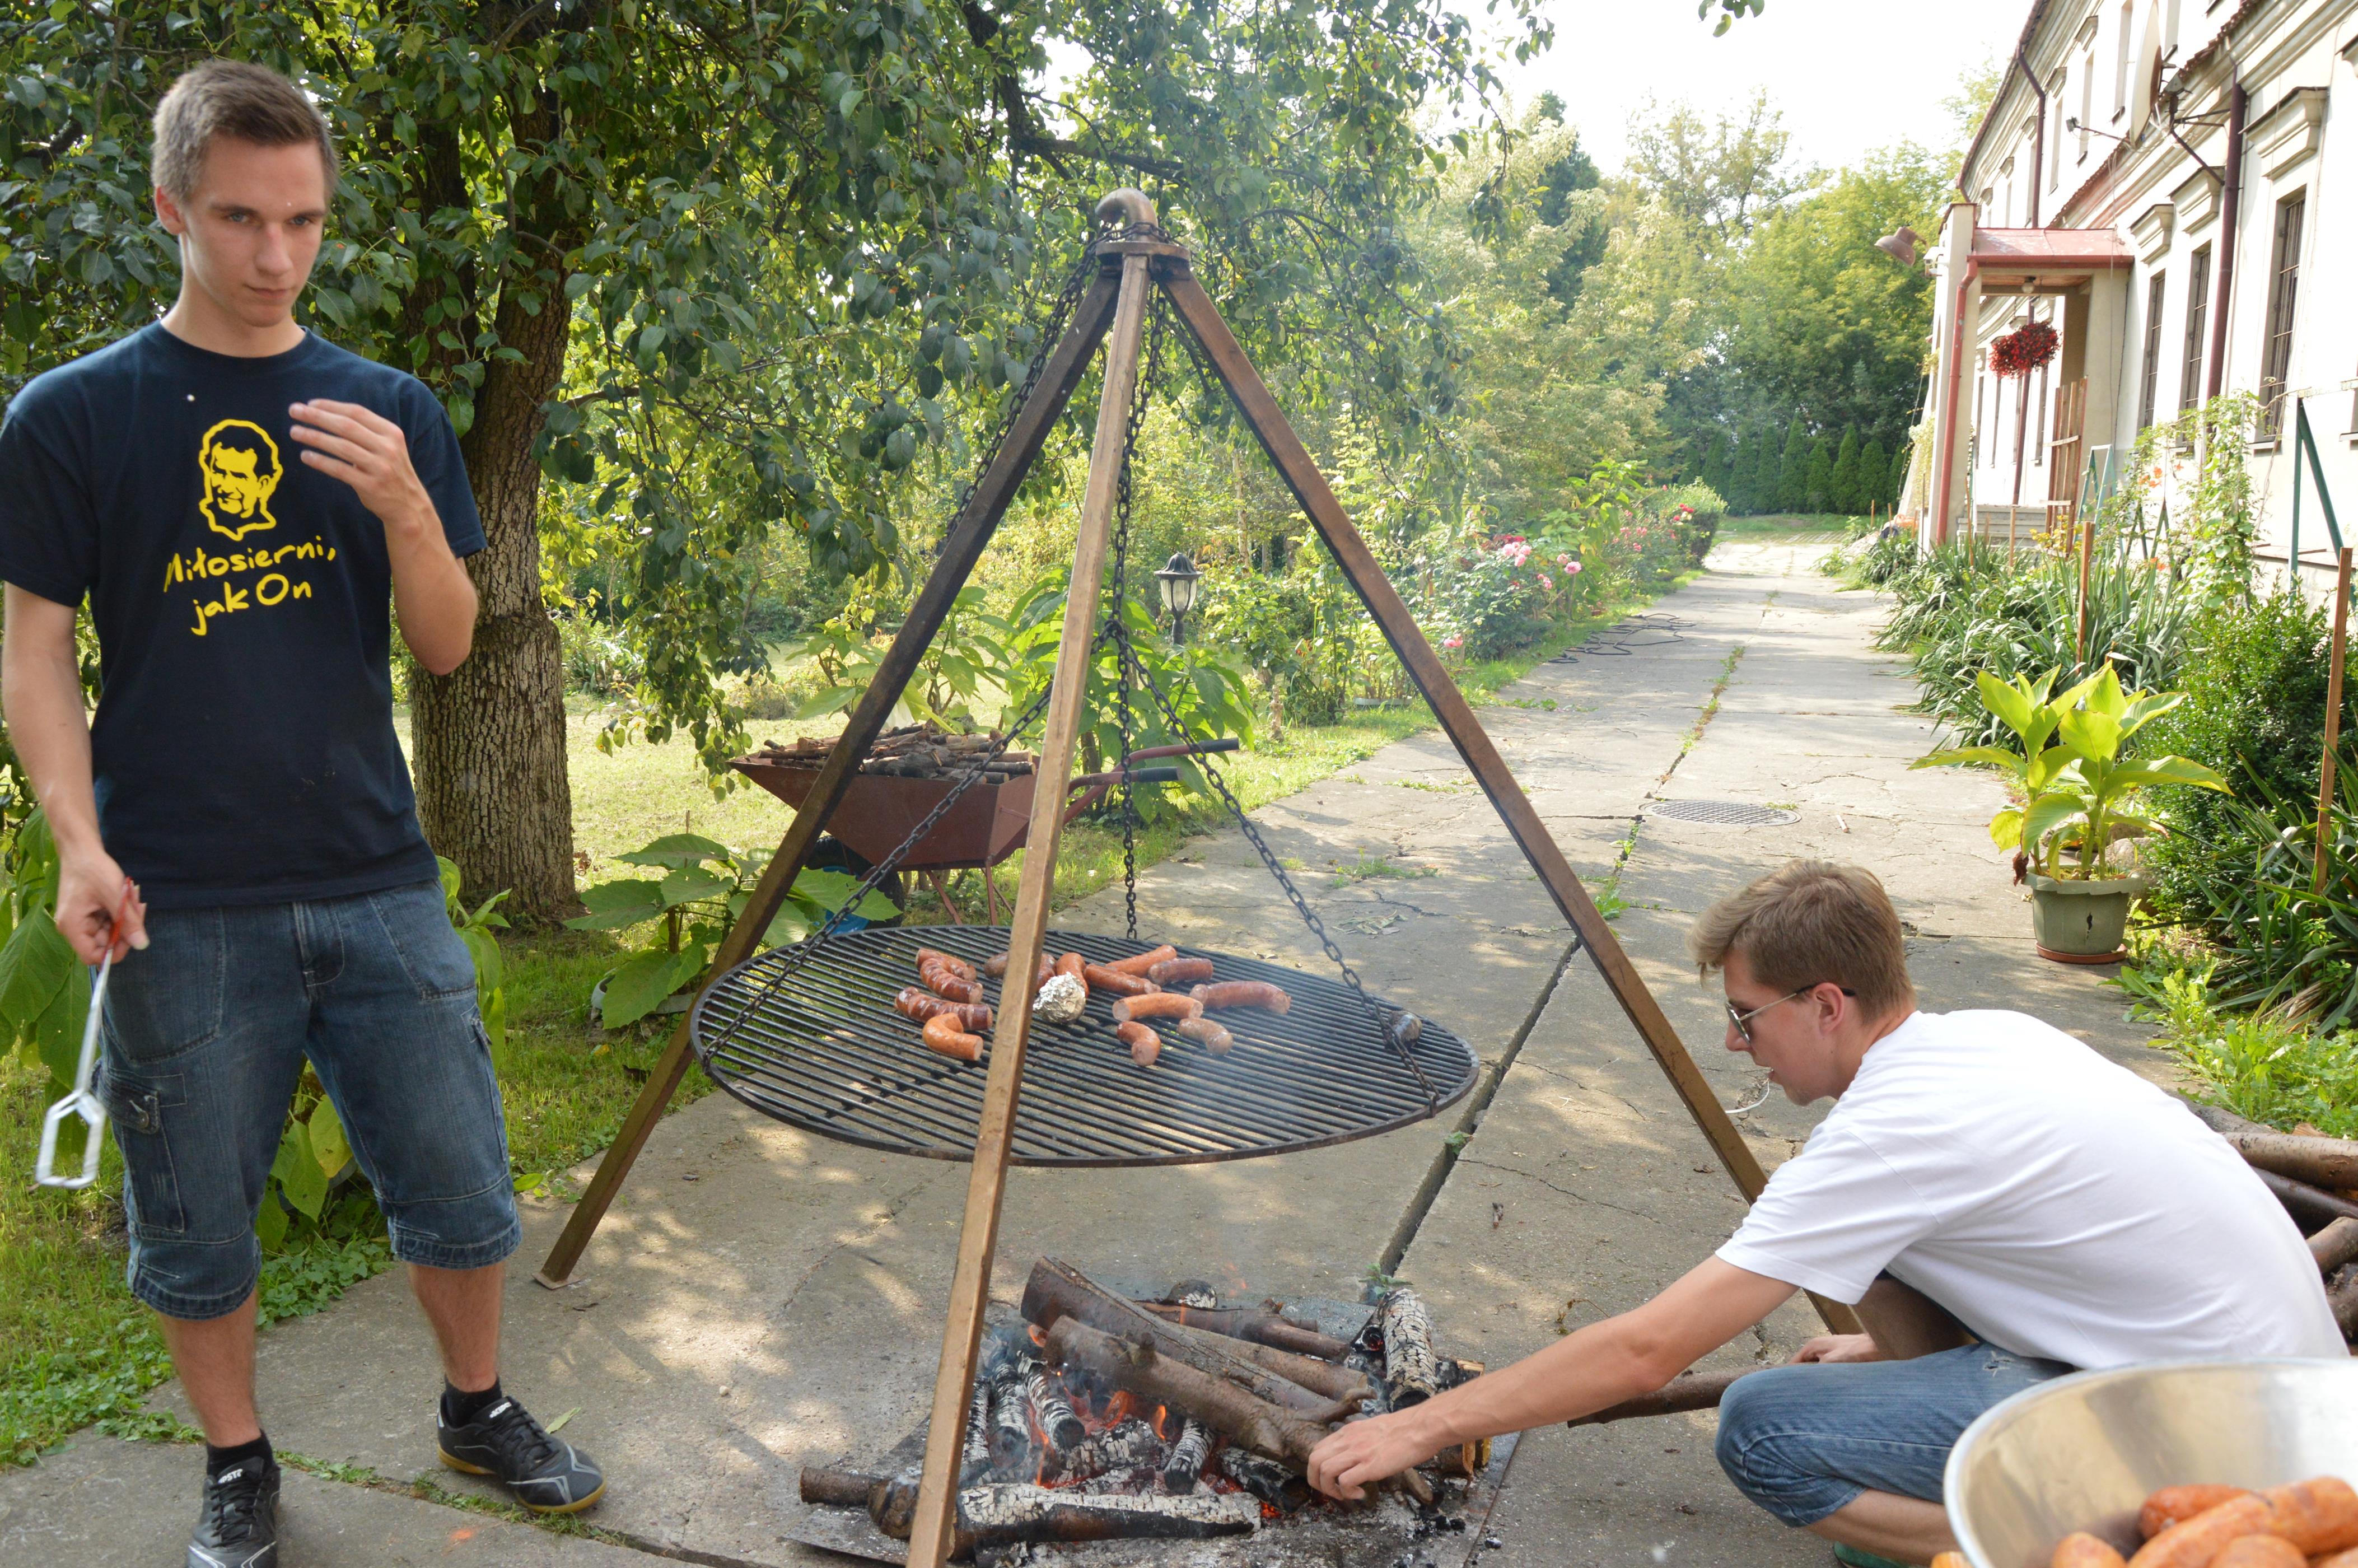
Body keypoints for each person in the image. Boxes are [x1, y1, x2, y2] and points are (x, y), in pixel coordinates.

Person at [0, 60, 604, 1568]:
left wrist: (405, 506)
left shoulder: (387, 410)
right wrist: (78, 843)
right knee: (194, 1217)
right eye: (239, 220)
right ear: (170, 209)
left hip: (376, 875)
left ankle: (476, 1407)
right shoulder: (73, 417)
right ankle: (237, 1465)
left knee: (461, 1182)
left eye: (304, 222)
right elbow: (32, 651)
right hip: (177, 894)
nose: (276, 257)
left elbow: (449, 645)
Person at [1306, 860, 2338, 1566]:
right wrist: (1891, 1354)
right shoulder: (1987, 1037)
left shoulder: (1886, 1137)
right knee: (1867, 1255)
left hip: (2228, 1461)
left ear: (1828, 1005)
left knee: (1763, 1428)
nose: (1735, 1043)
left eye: (1746, 1016)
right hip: (2283, 1392)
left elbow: (1647, 1350)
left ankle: (2048, 1546)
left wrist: (1420, 1425)